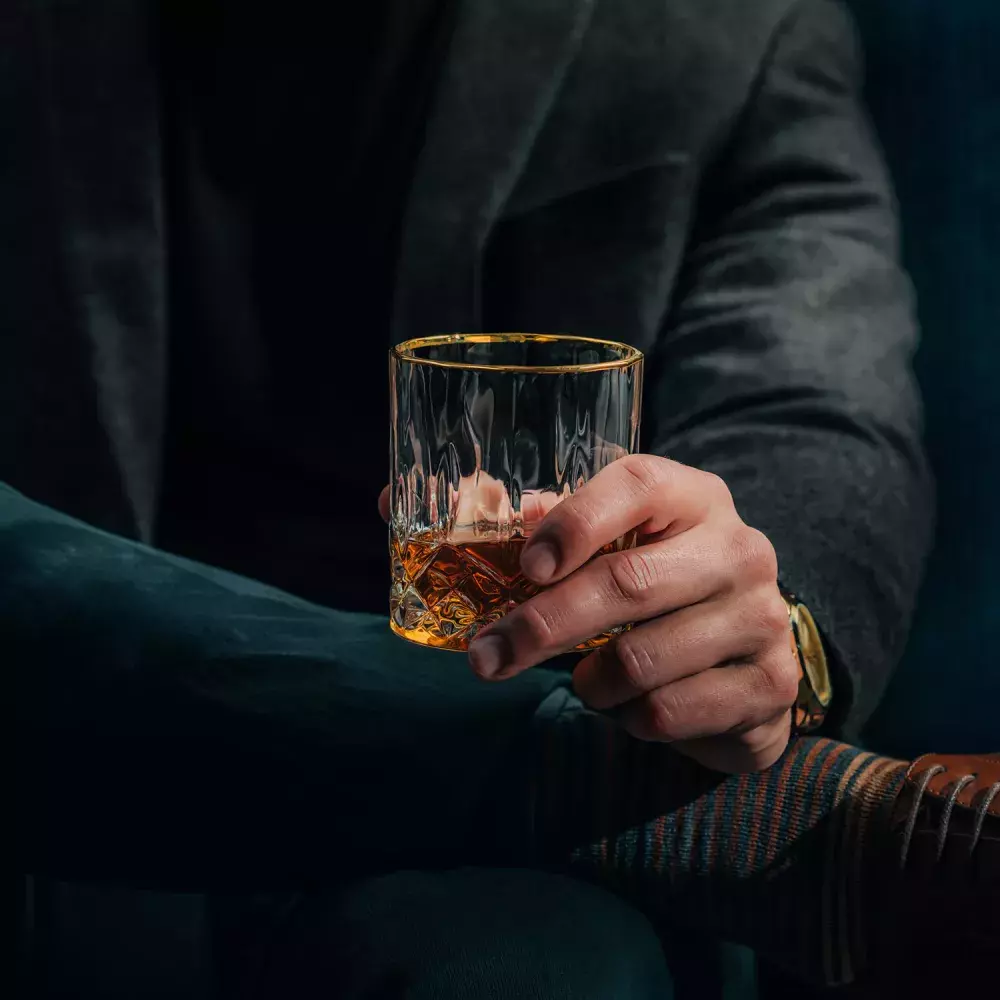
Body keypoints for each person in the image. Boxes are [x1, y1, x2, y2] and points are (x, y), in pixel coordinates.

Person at [6, 0, 992, 997]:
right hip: (69, 761)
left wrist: (760, 631)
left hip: (508, 839)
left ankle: (572, 782)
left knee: (541, 966)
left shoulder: (734, 26)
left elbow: (814, 401)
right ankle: (595, 780)